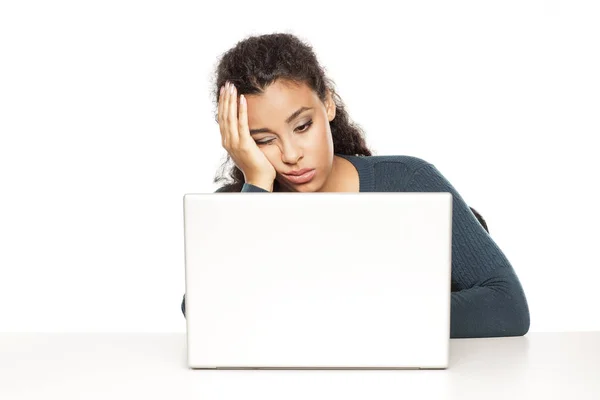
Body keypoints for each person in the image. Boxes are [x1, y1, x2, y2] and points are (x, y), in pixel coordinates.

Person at [181, 32, 530, 338]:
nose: (290, 154)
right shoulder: (241, 208)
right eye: (263, 141)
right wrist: (256, 183)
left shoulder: (408, 180)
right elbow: (204, 313)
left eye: (302, 126)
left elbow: (507, 305)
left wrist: (344, 312)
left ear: (328, 103)